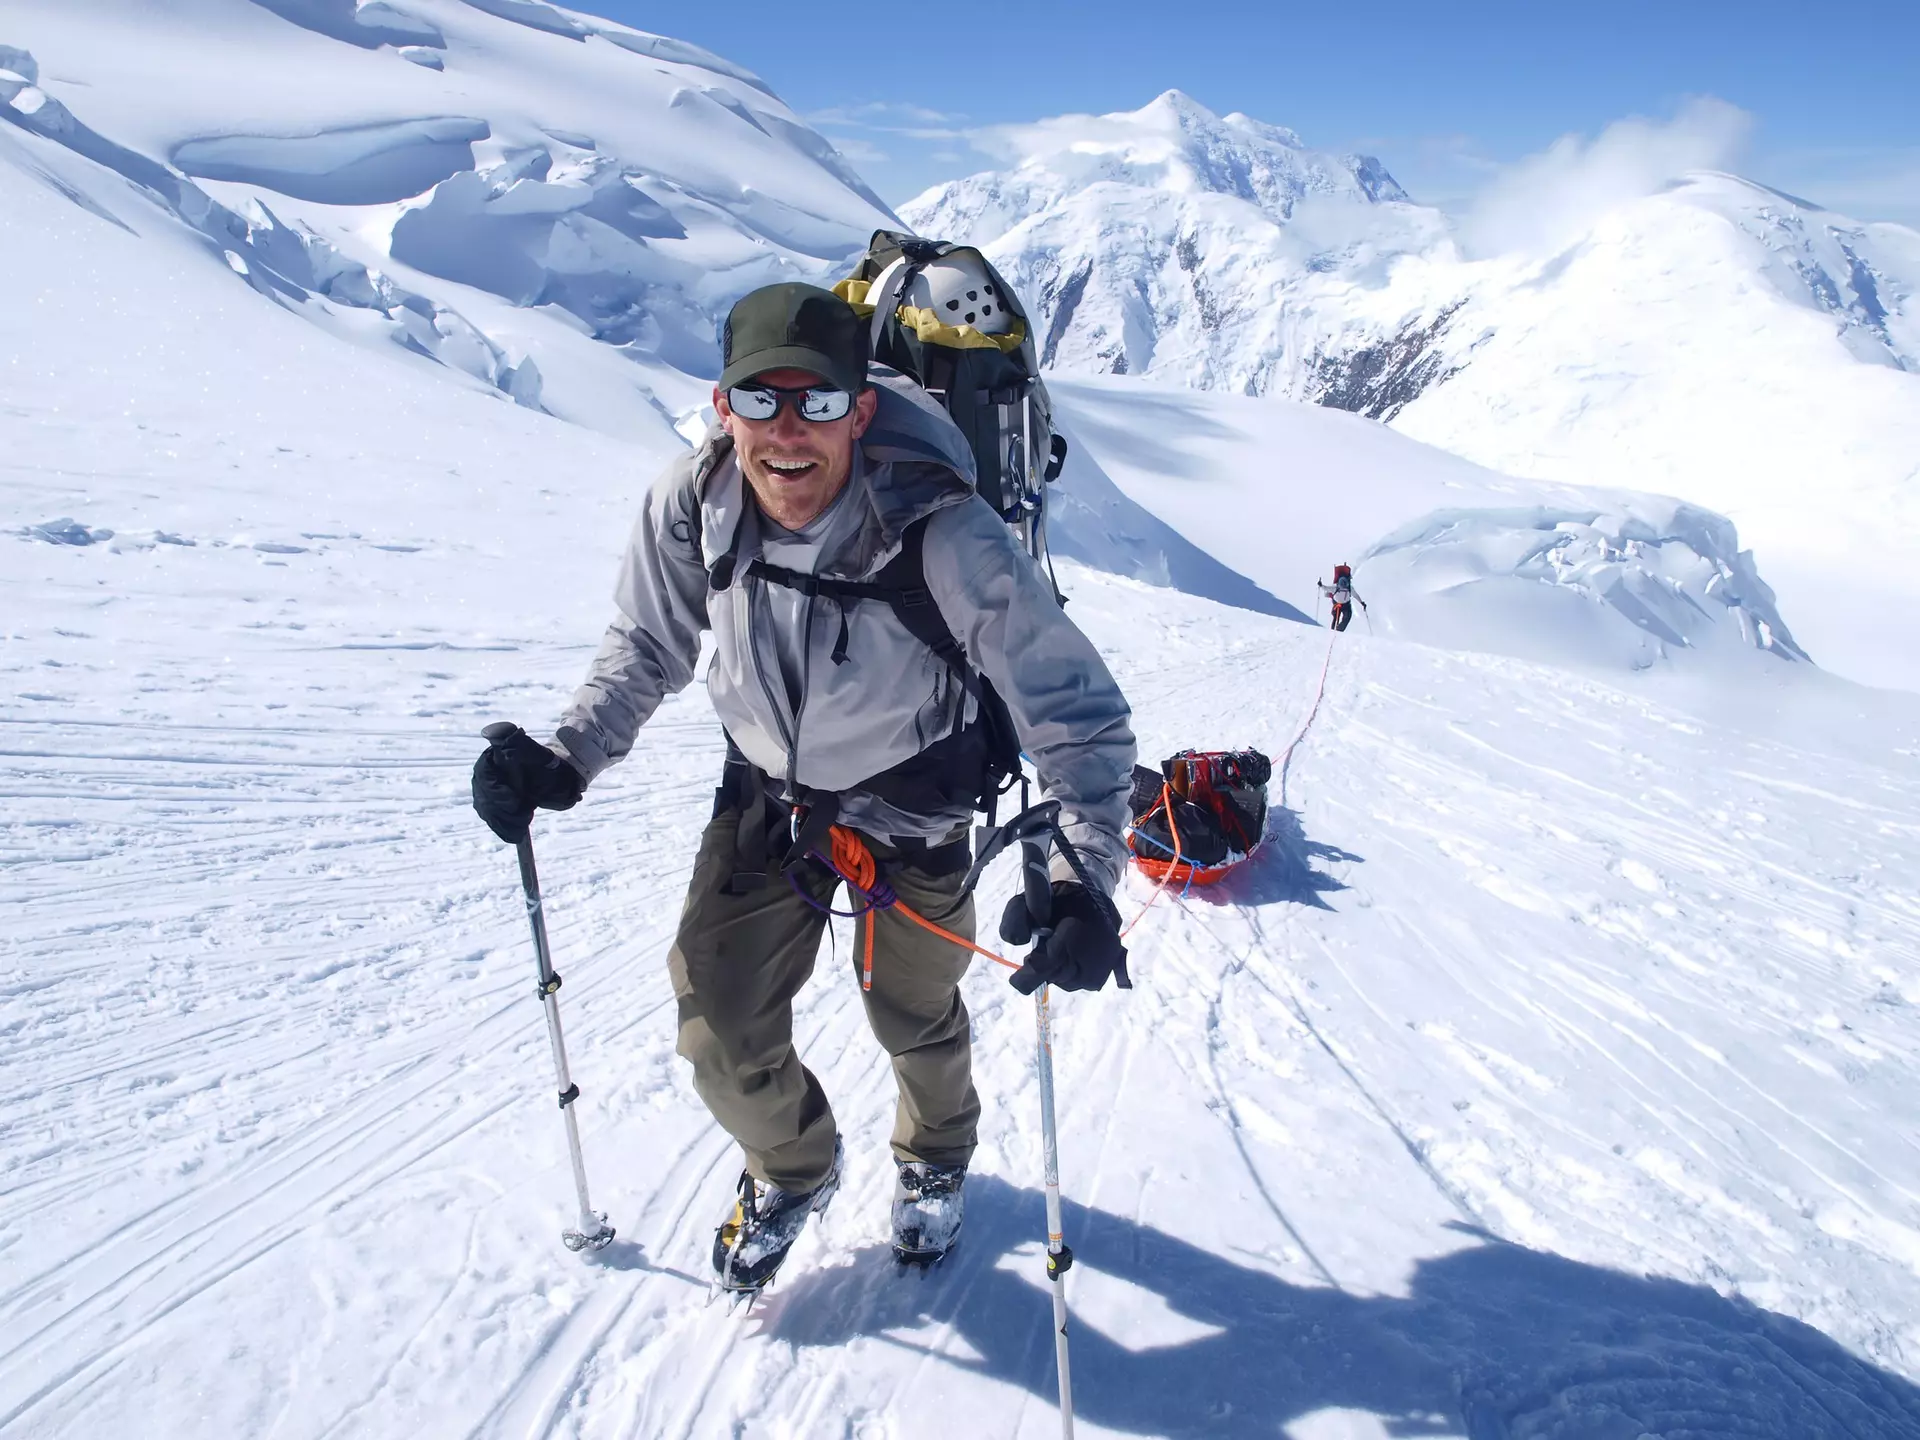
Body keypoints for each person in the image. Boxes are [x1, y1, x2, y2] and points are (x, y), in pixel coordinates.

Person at [471, 282, 1136, 1291]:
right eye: (760, 401)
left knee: (911, 1013)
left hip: (916, 807)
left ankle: (936, 1158)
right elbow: (650, 641)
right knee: (718, 1028)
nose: (788, 433)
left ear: (860, 408)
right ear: (721, 402)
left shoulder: (945, 536)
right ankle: (794, 1166)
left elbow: (1078, 718)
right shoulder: (693, 499)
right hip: (768, 799)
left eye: (818, 403)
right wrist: (568, 753)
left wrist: (1088, 877)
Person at [1319, 563, 1367, 632]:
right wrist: (1361, 602)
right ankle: (1334, 631)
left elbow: (1326, 588)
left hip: (1341, 604)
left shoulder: (1336, 587)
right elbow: (1355, 595)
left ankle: (1337, 631)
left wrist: (1321, 585)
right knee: (1340, 618)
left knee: (1340, 618)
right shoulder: (1346, 588)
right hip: (1343, 605)